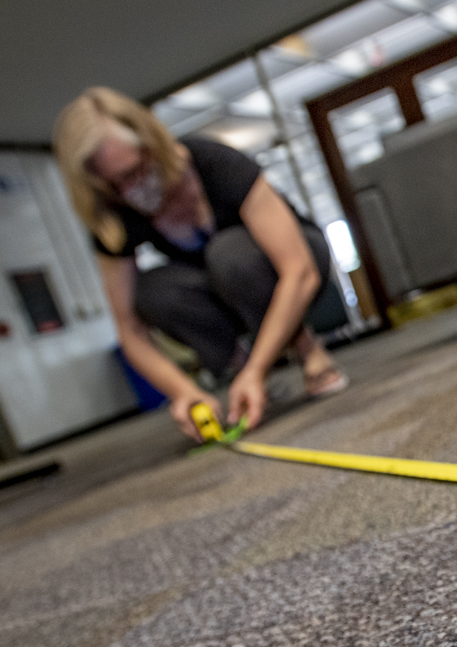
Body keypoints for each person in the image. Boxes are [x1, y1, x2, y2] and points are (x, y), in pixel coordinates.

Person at [53, 87, 347, 442]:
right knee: (152, 291)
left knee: (229, 255)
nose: (130, 189)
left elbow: (298, 271)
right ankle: (238, 368)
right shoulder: (114, 216)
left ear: (151, 144)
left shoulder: (214, 162)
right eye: (114, 184)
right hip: (222, 293)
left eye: (134, 171)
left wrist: (258, 369)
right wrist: (183, 392)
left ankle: (305, 348)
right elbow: (128, 329)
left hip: (292, 268)